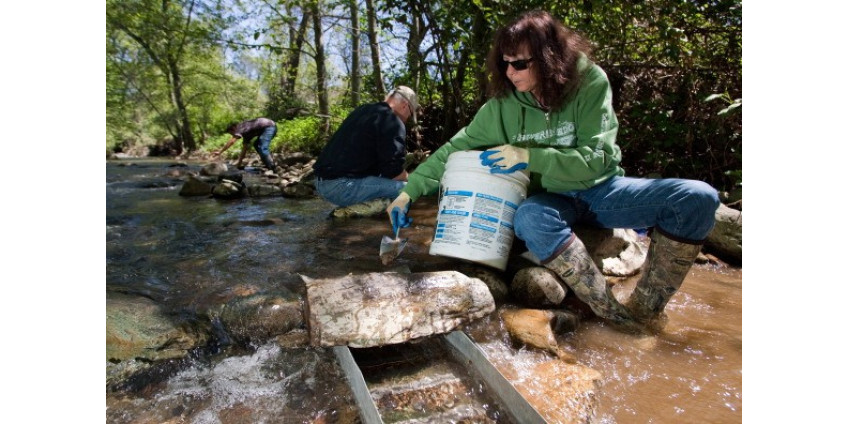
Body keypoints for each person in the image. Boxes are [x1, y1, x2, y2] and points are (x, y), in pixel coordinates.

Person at [386, 10, 719, 334]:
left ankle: (646, 311)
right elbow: (452, 150)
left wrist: (529, 157)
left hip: (601, 190)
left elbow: (597, 159)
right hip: (551, 199)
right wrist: (408, 193)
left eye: (519, 63)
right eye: (504, 63)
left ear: (548, 58)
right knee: (529, 218)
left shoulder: (589, 82)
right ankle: (611, 313)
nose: (510, 72)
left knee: (697, 198)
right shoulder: (501, 108)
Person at [313, 86, 420, 217]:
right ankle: (353, 213)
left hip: (321, 182)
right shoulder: (393, 121)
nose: (408, 118)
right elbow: (393, 172)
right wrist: (412, 179)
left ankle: (352, 212)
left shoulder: (363, 110)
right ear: (405, 105)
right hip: (341, 187)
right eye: (411, 113)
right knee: (412, 189)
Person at [213, 117, 278, 171]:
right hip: (268, 127)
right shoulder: (246, 133)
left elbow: (232, 141)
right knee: (256, 144)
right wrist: (239, 164)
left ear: (234, 128)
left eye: (231, 133)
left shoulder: (240, 127)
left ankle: (272, 167)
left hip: (269, 126)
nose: (233, 135)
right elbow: (244, 150)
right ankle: (267, 165)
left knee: (262, 147)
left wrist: (220, 152)